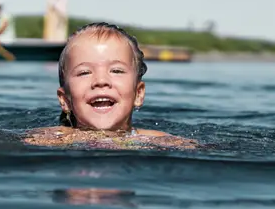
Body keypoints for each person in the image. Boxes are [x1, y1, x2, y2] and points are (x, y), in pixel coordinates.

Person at [22, 22, 197, 150]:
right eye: (84, 72)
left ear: (138, 94)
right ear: (65, 100)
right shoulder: (50, 140)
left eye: (116, 71)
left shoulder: (160, 142)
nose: (101, 81)